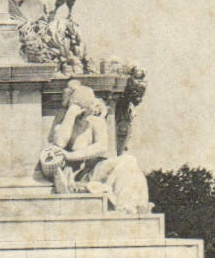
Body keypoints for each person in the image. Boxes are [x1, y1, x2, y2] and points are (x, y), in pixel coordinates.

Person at [38, 79, 150, 213]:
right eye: (89, 102)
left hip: (94, 169)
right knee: (126, 162)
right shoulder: (62, 125)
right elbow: (60, 143)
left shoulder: (96, 122)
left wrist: (70, 155)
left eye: (92, 101)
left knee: (128, 161)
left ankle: (128, 206)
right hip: (76, 175)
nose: (93, 105)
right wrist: (71, 114)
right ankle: (124, 207)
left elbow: (101, 147)